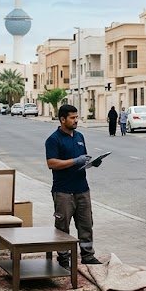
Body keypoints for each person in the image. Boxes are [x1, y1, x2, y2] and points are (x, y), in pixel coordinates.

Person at [45, 104, 104, 267]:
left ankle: (87, 255)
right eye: (72, 118)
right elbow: (51, 163)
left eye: (76, 117)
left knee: (86, 224)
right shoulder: (53, 139)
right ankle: (63, 258)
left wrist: (91, 163)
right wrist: (75, 161)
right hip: (63, 191)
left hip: (82, 189)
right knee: (62, 227)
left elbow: (82, 159)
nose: (76, 120)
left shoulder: (79, 136)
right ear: (62, 119)